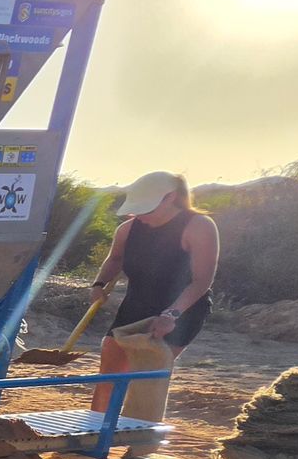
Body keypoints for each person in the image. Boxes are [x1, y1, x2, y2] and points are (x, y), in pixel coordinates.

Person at [87, 171, 220, 413]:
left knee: (147, 376)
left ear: (170, 198)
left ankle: (138, 442)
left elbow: (201, 281)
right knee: (110, 370)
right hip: (137, 303)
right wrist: (99, 284)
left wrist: (171, 315)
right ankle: (93, 435)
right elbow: (114, 259)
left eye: (146, 210)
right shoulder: (128, 230)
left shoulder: (199, 226)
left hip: (184, 307)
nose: (140, 216)